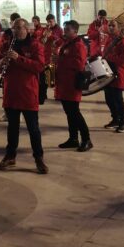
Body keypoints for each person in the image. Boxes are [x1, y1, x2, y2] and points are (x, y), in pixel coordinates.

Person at [0, 18, 48, 174]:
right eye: (14, 28)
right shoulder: (6, 45)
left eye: (19, 28)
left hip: (27, 93)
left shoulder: (35, 45)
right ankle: (10, 156)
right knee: (12, 128)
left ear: (27, 29)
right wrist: (0, 64)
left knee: (33, 129)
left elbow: (39, 66)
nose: (16, 31)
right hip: (11, 92)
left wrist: (19, 58)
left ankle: (38, 158)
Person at [54, 20, 92, 151]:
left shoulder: (78, 45)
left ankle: (86, 139)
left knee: (75, 113)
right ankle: (73, 138)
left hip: (72, 83)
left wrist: (62, 60)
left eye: (68, 29)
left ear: (75, 31)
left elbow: (79, 65)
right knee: (69, 113)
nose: (65, 31)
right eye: (65, 29)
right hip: (64, 83)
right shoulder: (67, 43)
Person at [99, 19, 124, 133]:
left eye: (113, 26)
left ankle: (123, 122)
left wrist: (110, 59)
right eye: (109, 25)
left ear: (119, 27)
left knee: (118, 99)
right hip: (108, 71)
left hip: (118, 72)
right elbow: (105, 52)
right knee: (109, 98)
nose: (111, 27)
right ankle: (115, 119)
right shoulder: (109, 38)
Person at [38, 14, 62, 104]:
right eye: (48, 22)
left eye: (51, 21)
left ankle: (58, 94)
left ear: (54, 20)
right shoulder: (45, 29)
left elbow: (60, 41)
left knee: (54, 78)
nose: (49, 23)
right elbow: (40, 41)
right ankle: (43, 95)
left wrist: (51, 36)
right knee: (44, 77)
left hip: (54, 56)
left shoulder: (59, 30)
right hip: (45, 55)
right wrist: (43, 36)